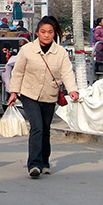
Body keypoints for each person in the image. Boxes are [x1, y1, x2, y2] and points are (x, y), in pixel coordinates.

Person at [7, 16, 80, 178]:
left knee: (45, 129)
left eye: (50, 32)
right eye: (43, 32)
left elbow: (67, 72)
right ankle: (34, 164)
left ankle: (45, 161)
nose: (46, 35)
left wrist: (72, 90)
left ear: (54, 34)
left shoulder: (60, 52)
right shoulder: (27, 50)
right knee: (37, 127)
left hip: (49, 94)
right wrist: (13, 92)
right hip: (29, 93)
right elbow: (18, 72)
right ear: (37, 33)